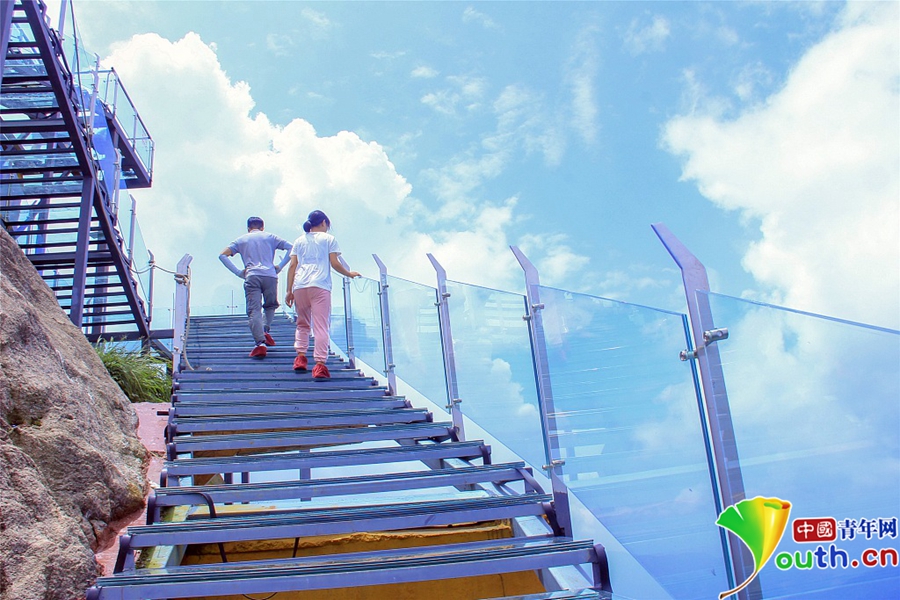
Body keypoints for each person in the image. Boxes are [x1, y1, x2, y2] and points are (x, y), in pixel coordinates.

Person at [285, 210, 360, 380]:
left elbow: (292, 266)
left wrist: (289, 290)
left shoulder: (299, 240)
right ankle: (319, 364)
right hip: (320, 286)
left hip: (300, 286)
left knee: (302, 324)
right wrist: (349, 274)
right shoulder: (329, 239)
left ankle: (300, 358)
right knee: (320, 326)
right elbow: (334, 263)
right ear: (324, 223)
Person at [219, 216, 293, 358]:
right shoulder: (271, 237)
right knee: (270, 305)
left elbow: (222, 255)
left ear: (248, 228)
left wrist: (239, 272)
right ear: (262, 227)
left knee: (254, 310)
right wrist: (280, 266)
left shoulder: (241, 240)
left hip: (252, 276)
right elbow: (292, 248)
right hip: (270, 275)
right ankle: (265, 330)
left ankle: (260, 343)